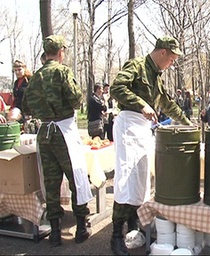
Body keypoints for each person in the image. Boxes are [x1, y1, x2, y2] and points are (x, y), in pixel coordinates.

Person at [109, 36, 192, 255]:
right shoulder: (136, 66)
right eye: (172, 59)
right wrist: (141, 103)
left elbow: (167, 103)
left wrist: (188, 125)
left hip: (143, 129)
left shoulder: (157, 77)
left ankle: (135, 228)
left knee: (141, 182)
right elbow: (116, 88)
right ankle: (116, 234)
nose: (171, 64)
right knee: (126, 180)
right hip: (128, 124)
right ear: (163, 52)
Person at [22, 35, 93, 247]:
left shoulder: (35, 77)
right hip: (64, 132)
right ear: (61, 51)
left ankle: (54, 232)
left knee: (51, 183)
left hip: (44, 133)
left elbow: (26, 107)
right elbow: (77, 98)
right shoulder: (62, 72)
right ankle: (81, 227)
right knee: (77, 178)